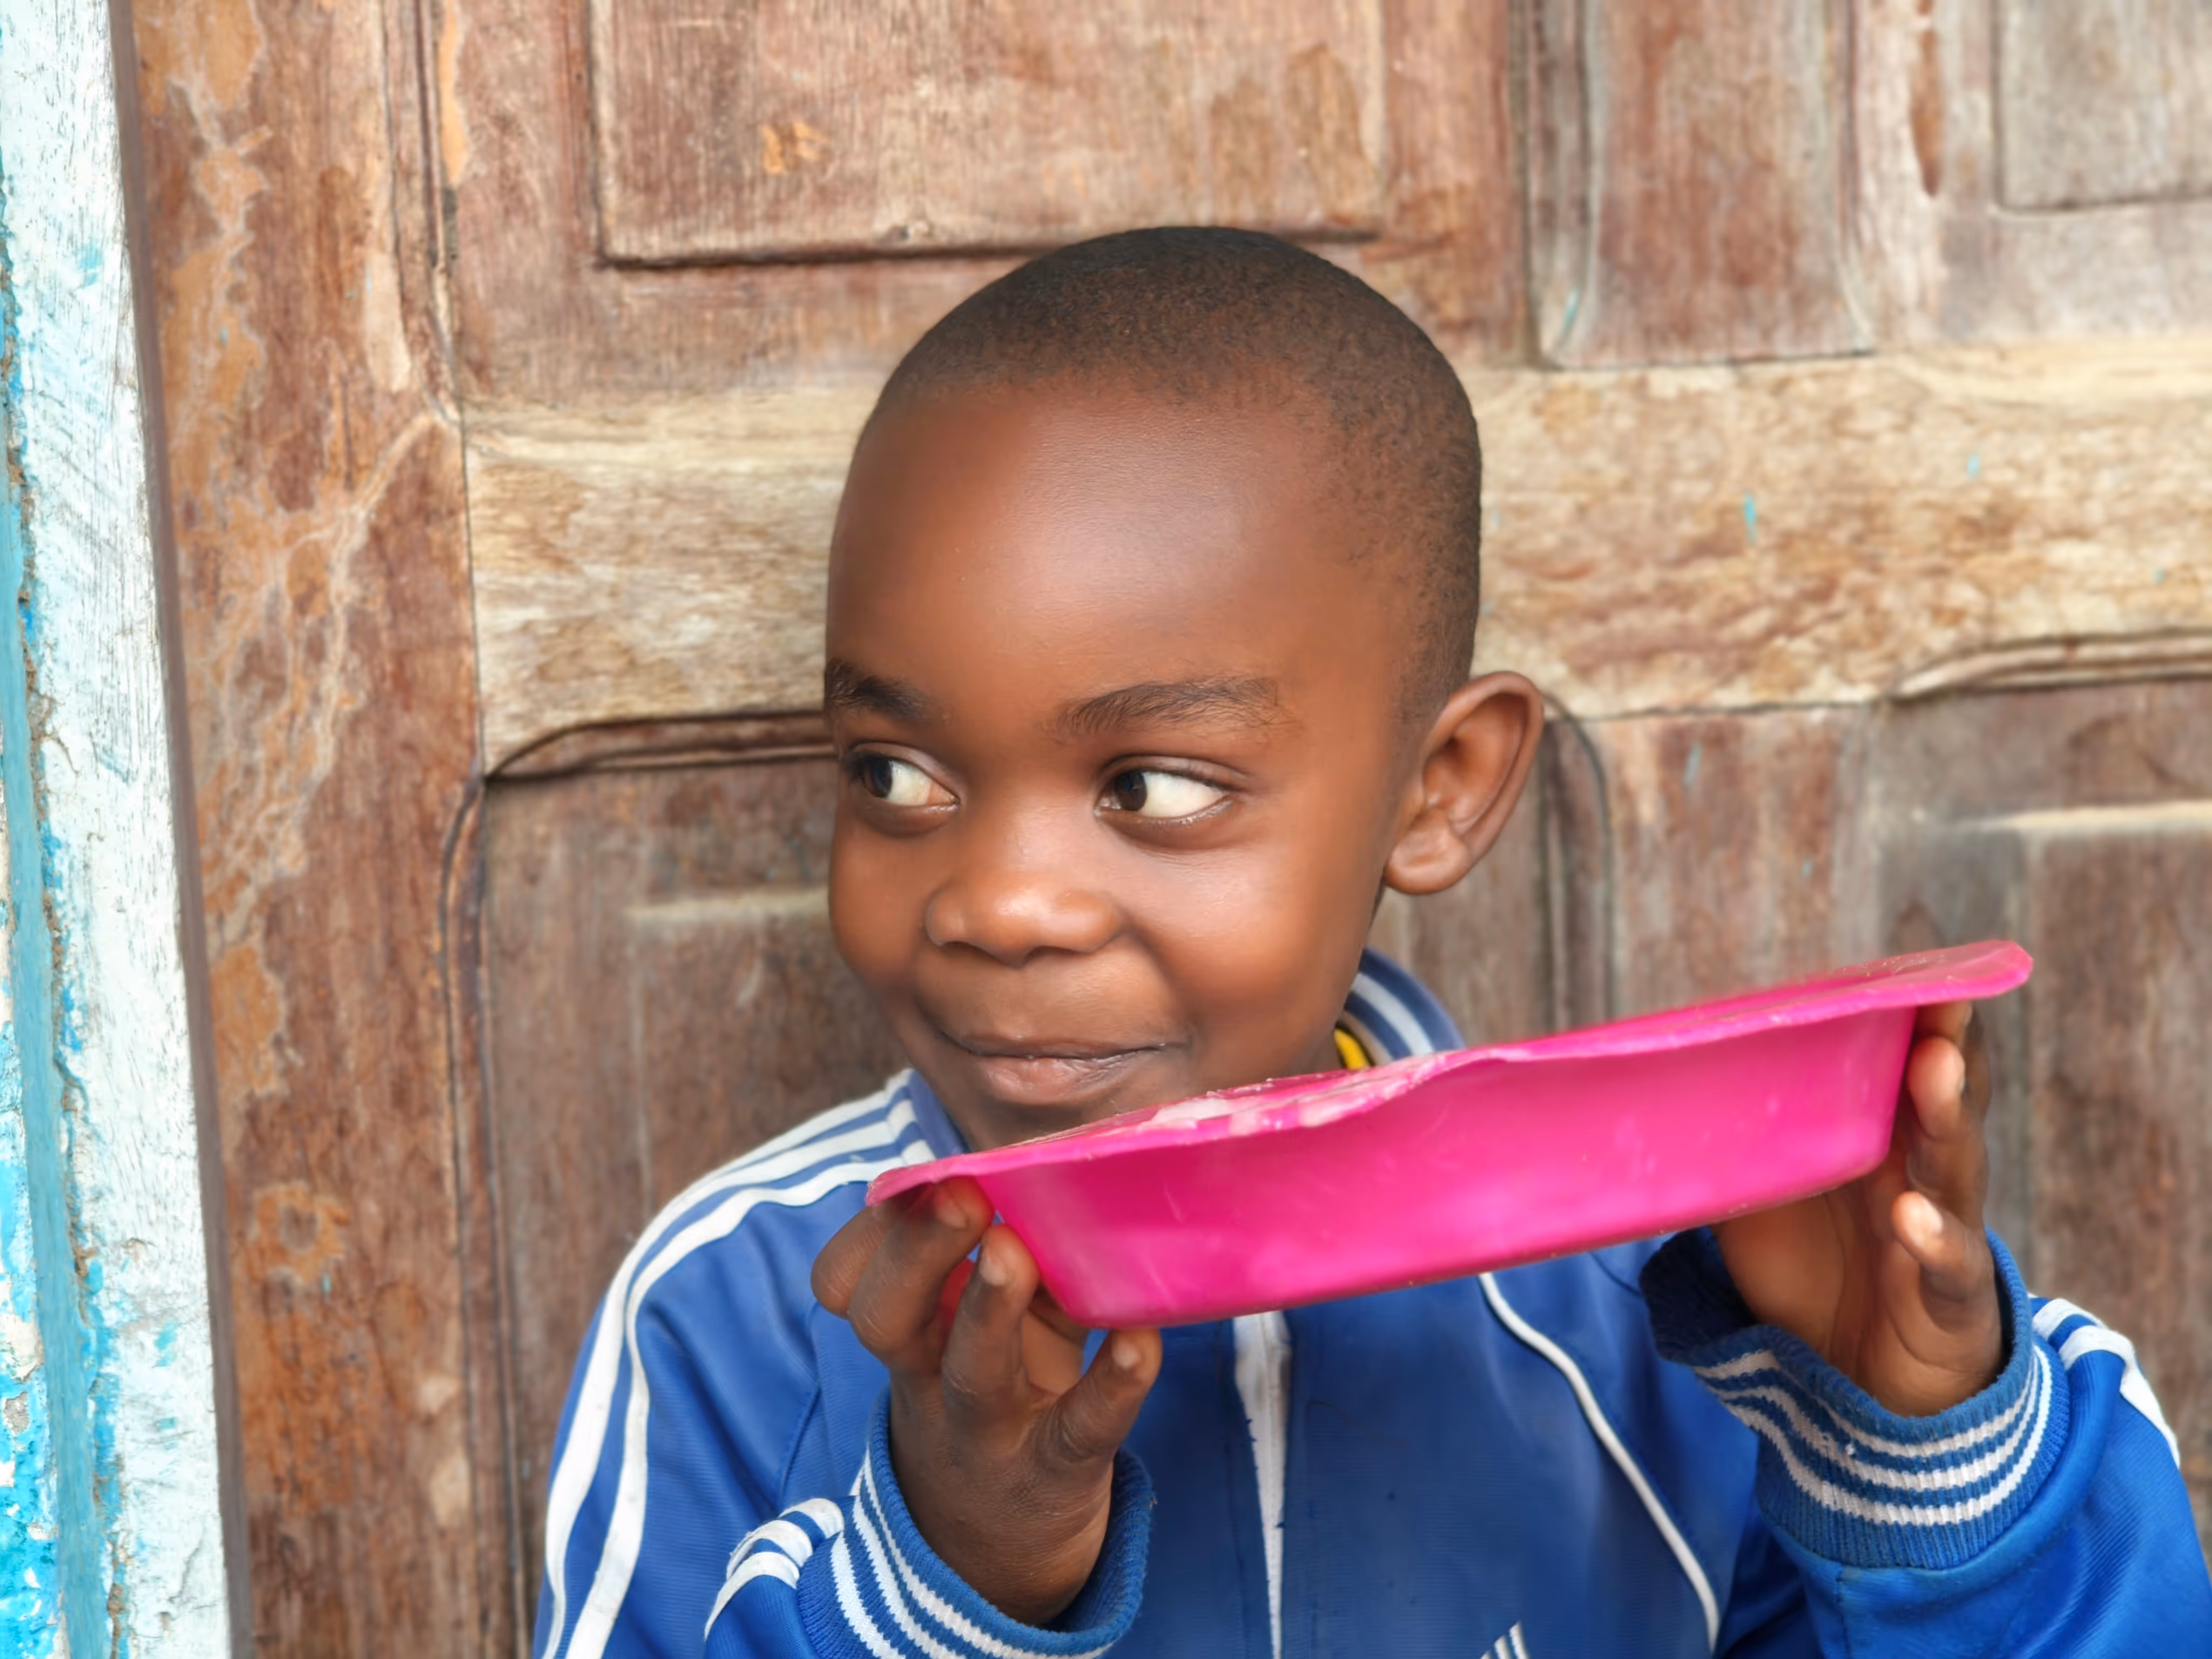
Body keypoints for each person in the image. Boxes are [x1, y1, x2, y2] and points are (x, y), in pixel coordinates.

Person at [532, 229, 2211, 1659]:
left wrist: (1926, 1457)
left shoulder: (1656, 1305)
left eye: (1153, 786)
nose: (996, 903)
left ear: (1441, 788)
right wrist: (949, 1568)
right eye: (898, 775)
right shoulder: (738, 1320)